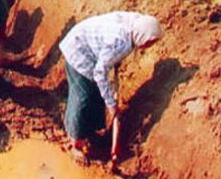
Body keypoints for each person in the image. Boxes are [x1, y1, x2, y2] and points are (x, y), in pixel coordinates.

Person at [59, 12, 162, 164]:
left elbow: (107, 55)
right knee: (83, 97)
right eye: (149, 42)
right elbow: (100, 73)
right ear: (142, 37)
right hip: (78, 51)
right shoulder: (120, 43)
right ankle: (75, 142)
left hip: (89, 46)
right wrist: (111, 105)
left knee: (97, 93)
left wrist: (114, 61)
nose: (149, 46)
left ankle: (89, 133)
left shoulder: (134, 24)